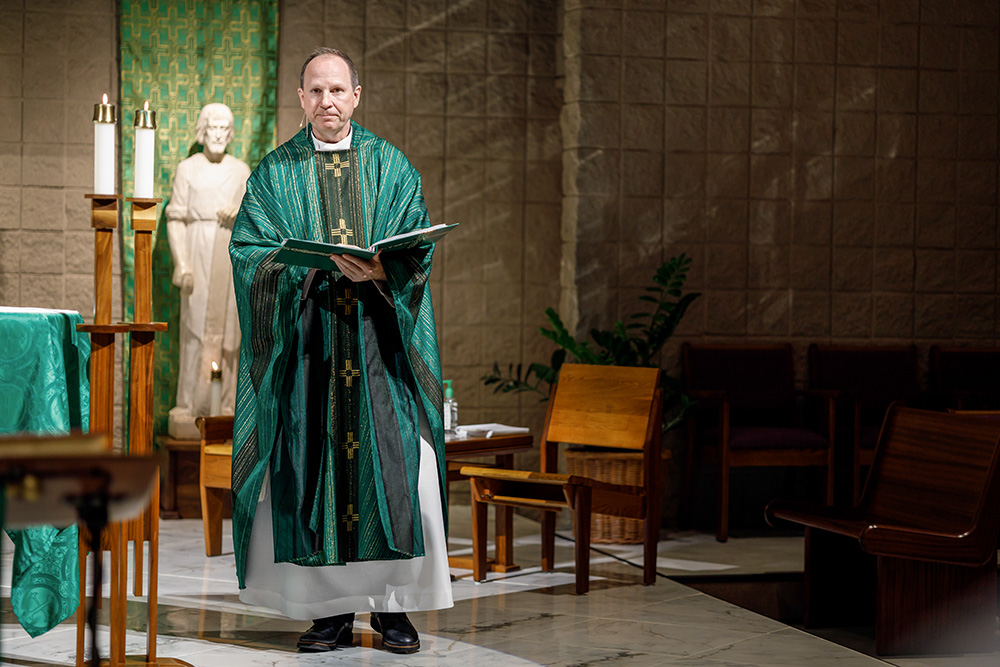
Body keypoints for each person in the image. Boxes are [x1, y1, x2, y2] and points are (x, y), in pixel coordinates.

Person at [228, 47, 452, 655]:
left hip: (379, 349)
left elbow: (418, 249)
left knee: (398, 471)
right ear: (301, 99)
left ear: (358, 95)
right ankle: (327, 611)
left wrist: (382, 266)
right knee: (311, 471)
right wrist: (298, 267)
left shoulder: (392, 167)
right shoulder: (274, 174)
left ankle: (393, 610)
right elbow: (249, 252)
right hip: (308, 352)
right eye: (316, 91)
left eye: (338, 90)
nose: (328, 101)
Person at [165, 103, 250, 436]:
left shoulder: (241, 170)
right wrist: (181, 264)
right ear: (202, 130)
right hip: (198, 250)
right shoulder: (188, 169)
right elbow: (176, 218)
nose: (217, 134)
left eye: (223, 128)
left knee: (230, 331)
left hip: (228, 255)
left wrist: (238, 216)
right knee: (195, 328)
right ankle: (189, 405)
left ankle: (225, 406)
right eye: (212, 127)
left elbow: (255, 222)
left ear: (230, 134)